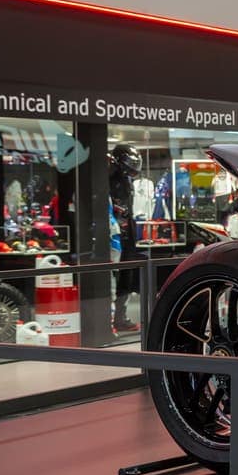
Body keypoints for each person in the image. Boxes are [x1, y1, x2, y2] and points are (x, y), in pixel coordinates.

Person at [109, 143, 143, 333]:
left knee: (127, 276)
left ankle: (120, 317)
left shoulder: (126, 181)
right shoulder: (107, 178)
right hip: (113, 234)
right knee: (113, 278)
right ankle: (110, 318)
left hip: (127, 232)